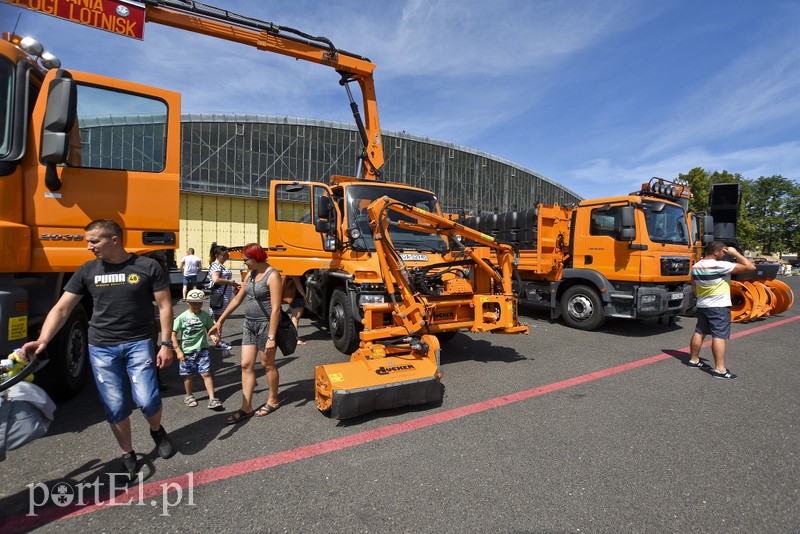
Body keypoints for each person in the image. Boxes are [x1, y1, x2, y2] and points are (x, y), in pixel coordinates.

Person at [21, 219, 175, 479]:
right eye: (88, 242)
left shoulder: (147, 266)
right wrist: (44, 339)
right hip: (101, 347)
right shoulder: (87, 270)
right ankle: (128, 452)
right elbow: (62, 308)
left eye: (94, 241)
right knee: (115, 407)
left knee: (148, 400)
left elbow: (165, 307)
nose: (89, 247)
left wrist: (166, 343)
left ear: (114, 239)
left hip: (138, 343)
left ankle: (156, 430)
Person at [209, 243, 282, 424]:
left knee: (267, 364)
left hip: (266, 326)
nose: (244, 264)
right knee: (246, 364)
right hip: (249, 325)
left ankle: (273, 399)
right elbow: (236, 299)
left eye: (246, 260)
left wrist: (272, 337)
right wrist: (220, 321)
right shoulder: (250, 274)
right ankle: (246, 407)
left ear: (256, 258)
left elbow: (276, 309)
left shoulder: (272, 276)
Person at [687, 241, 756, 379]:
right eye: (723, 252)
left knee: (700, 331)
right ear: (716, 252)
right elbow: (750, 267)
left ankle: (693, 360)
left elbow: (694, 286)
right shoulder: (719, 265)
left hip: (703, 304)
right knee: (719, 336)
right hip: (719, 306)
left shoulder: (695, 266)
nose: (725, 254)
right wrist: (735, 253)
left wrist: (700, 295)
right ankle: (720, 369)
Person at [172, 289, 223, 411]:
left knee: (206, 373)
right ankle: (188, 395)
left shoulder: (205, 315)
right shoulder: (182, 317)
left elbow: (210, 329)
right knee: (189, 375)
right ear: (188, 302)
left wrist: (214, 337)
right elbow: (173, 333)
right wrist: (178, 350)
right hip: (186, 351)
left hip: (202, 349)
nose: (196, 305)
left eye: (199, 303)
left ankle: (212, 398)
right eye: (193, 303)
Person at [207, 243, 237, 350]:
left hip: (222, 296)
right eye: (223, 255)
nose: (226, 257)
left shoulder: (220, 265)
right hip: (219, 296)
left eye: (226, 255)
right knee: (218, 320)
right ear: (217, 255)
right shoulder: (216, 266)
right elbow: (216, 280)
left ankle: (218, 340)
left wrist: (232, 284)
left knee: (219, 320)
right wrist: (230, 281)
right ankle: (218, 342)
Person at [282, 275, 307, 345]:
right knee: (295, 318)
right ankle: (294, 339)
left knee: (295, 318)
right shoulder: (295, 271)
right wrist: (304, 295)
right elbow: (297, 282)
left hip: (293, 296)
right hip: (297, 296)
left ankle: (294, 338)